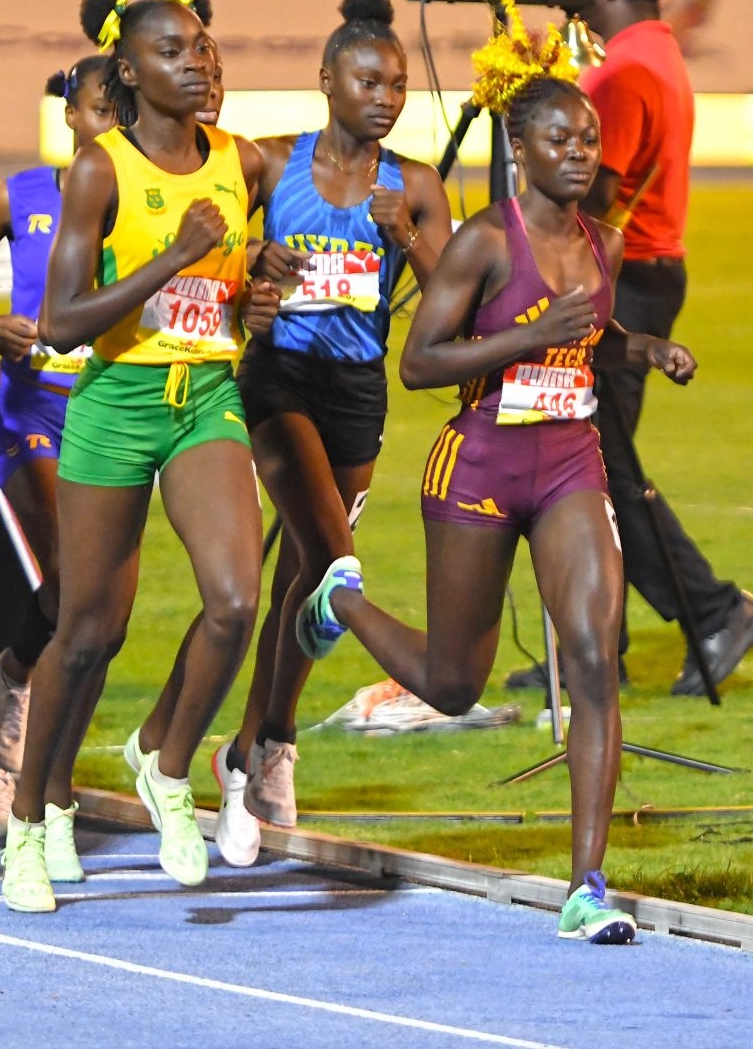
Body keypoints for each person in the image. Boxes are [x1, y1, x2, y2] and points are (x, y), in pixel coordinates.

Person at [296, 62, 698, 944]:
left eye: (589, 140)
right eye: (561, 139)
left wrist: (643, 349)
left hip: (569, 466)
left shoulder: (606, 242)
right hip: (477, 466)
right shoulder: (485, 240)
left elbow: (592, 335)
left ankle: (588, 884)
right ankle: (342, 598)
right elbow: (420, 361)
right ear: (519, 150)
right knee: (451, 684)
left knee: (592, 654)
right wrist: (527, 335)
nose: (580, 153)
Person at [125, 0, 452, 858]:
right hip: (278, 382)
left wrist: (409, 239)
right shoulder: (271, 163)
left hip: (357, 392)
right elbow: (219, 245)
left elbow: (455, 296)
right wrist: (257, 269)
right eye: (367, 80)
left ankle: (265, 741)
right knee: (331, 560)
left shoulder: (413, 185)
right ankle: (245, 758)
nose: (383, 96)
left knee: (300, 576)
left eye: (397, 84)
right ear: (326, 80)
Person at [1, 0, 281, 913]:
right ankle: (31, 826)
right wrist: (171, 256)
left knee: (236, 601)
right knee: (88, 633)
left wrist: (255, 296)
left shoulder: (239, 162)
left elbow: (230, 293)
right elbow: (60, 323)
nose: (196, 63)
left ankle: (165, 764)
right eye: (174, 52)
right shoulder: (102, 169)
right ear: (129, 69)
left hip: (204, 395)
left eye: (203, 49)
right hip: (116, 400)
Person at [551, 0, 753, 697]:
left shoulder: (623, 70)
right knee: (594, 463)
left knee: (598, 465)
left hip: (623, 276)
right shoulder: (659, 55)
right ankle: (596, 645)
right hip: (651, 268)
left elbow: (599, 194)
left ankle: (712, 609)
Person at [0, 54, 116, 832]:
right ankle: (32, 759)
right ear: (71, 116)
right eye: (95, 109)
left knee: (91, 593)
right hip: (30, 410)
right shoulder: (18, 195)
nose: (108, 123)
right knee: (75, 571)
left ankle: (14, 698)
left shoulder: (146, 201)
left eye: (120, 109)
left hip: (112, 411)